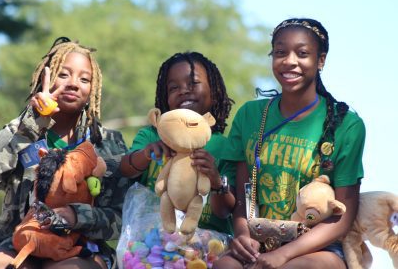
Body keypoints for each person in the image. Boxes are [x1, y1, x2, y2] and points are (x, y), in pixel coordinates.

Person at [213, 18, 365, 269]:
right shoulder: (250, 115)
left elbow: (343, 217)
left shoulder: (347, 125)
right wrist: (242, 235)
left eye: (302, 53)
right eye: (280, 52)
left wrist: (284, 255)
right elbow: (244, 196)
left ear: (321, 61)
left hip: (318, 247)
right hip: (259, 239)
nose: (289, 61)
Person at [0, 37, 130, 269]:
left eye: (84, 78)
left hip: (83, 247)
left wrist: (76, 215)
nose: (73, 83)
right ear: (43, 80)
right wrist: (32, 124)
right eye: (63, 74)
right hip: (20, 243)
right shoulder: (21, 130)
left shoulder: (108, 142)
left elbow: (122, 217)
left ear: (93, 89)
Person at [119, 51, 236, 235]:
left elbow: (224, 211)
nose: (183, 90)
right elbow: (125, 169)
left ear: (214, 92)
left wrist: (216, 181)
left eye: (193, 83)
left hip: (206, 246)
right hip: (150, 242)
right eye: (174, 88)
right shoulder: (151, 135)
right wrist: (145, 154)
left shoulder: (224, 146)